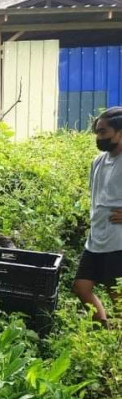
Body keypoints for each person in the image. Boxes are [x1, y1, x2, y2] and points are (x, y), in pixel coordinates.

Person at [72, 107, 122, 328]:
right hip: (96, 237)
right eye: (97, 133)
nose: (98, 138)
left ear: (119, 132)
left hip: (118, 240)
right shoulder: (98, 162)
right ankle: (104, 328)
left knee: (117, 295)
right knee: (81, 287)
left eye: (103, 132)